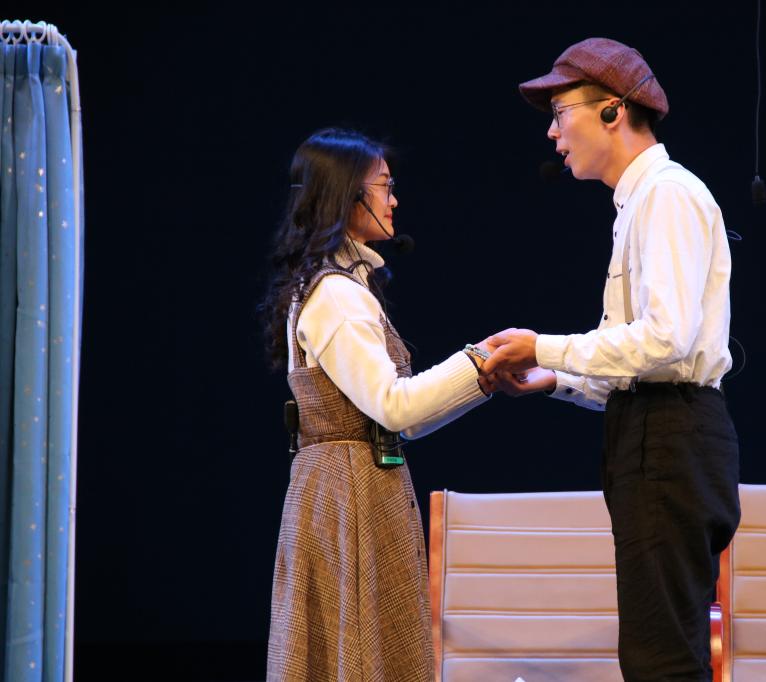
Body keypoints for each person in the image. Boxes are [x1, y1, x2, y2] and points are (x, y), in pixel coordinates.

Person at [482, 38, 741, 681]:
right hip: (653, 429)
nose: (552, 133)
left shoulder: (667, 195)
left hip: (672, 435)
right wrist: (556, 380)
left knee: (661, 660)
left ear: (612, 110)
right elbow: (638, 361)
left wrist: (543, 345)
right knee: (658, 651)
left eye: (560, 112)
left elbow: (666, 340)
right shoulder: (637, 204)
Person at [260, 128, 493, 681]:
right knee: (360, 655)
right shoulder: (337, 295)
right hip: (349, 493)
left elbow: (401, 420)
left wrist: (482, 380)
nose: (394, 200)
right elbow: (394, 407)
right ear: (348, 196)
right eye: (384, 186)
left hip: (356, 484)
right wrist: (478, 361)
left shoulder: (340, 285)